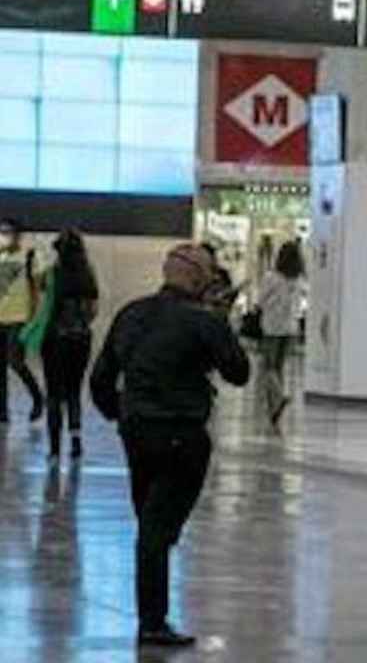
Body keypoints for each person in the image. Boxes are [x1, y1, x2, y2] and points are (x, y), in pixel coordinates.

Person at [90, 244, 251, 648]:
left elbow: (100, 380)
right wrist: (222, 323)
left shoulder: (130, 313)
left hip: (137, 432)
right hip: (182, 435)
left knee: (151, 524)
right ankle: (152, 622)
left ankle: (152, 617)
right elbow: (239, 372)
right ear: (199, 279)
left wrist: (121, 416)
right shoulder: (203, 321)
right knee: (158, 530)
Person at [41, 229, 99, 463]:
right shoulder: (88, 275)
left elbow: (44, 308)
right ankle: (76, 441)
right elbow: (93, 311)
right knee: (74, 390)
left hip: (55, 338)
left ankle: (54, 451)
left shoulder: (52, 274)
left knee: (54, 394)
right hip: (81, 338)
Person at [254, 241, 307, 432]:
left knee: (269, 366)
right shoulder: (298, 279)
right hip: (290, 328)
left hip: (271, 327)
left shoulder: (271, 277)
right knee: (279, 367)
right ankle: (274, 408)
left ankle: (278, 396)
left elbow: (260, 300)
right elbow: (302, 299)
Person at [0, 217, 45, 424]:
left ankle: (37, 397)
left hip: (18, 318)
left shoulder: (28, 256)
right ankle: (2, 412)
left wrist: (33, 317)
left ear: (18, 235)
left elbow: (36, 290)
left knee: (15, 361)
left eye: (8, 232)